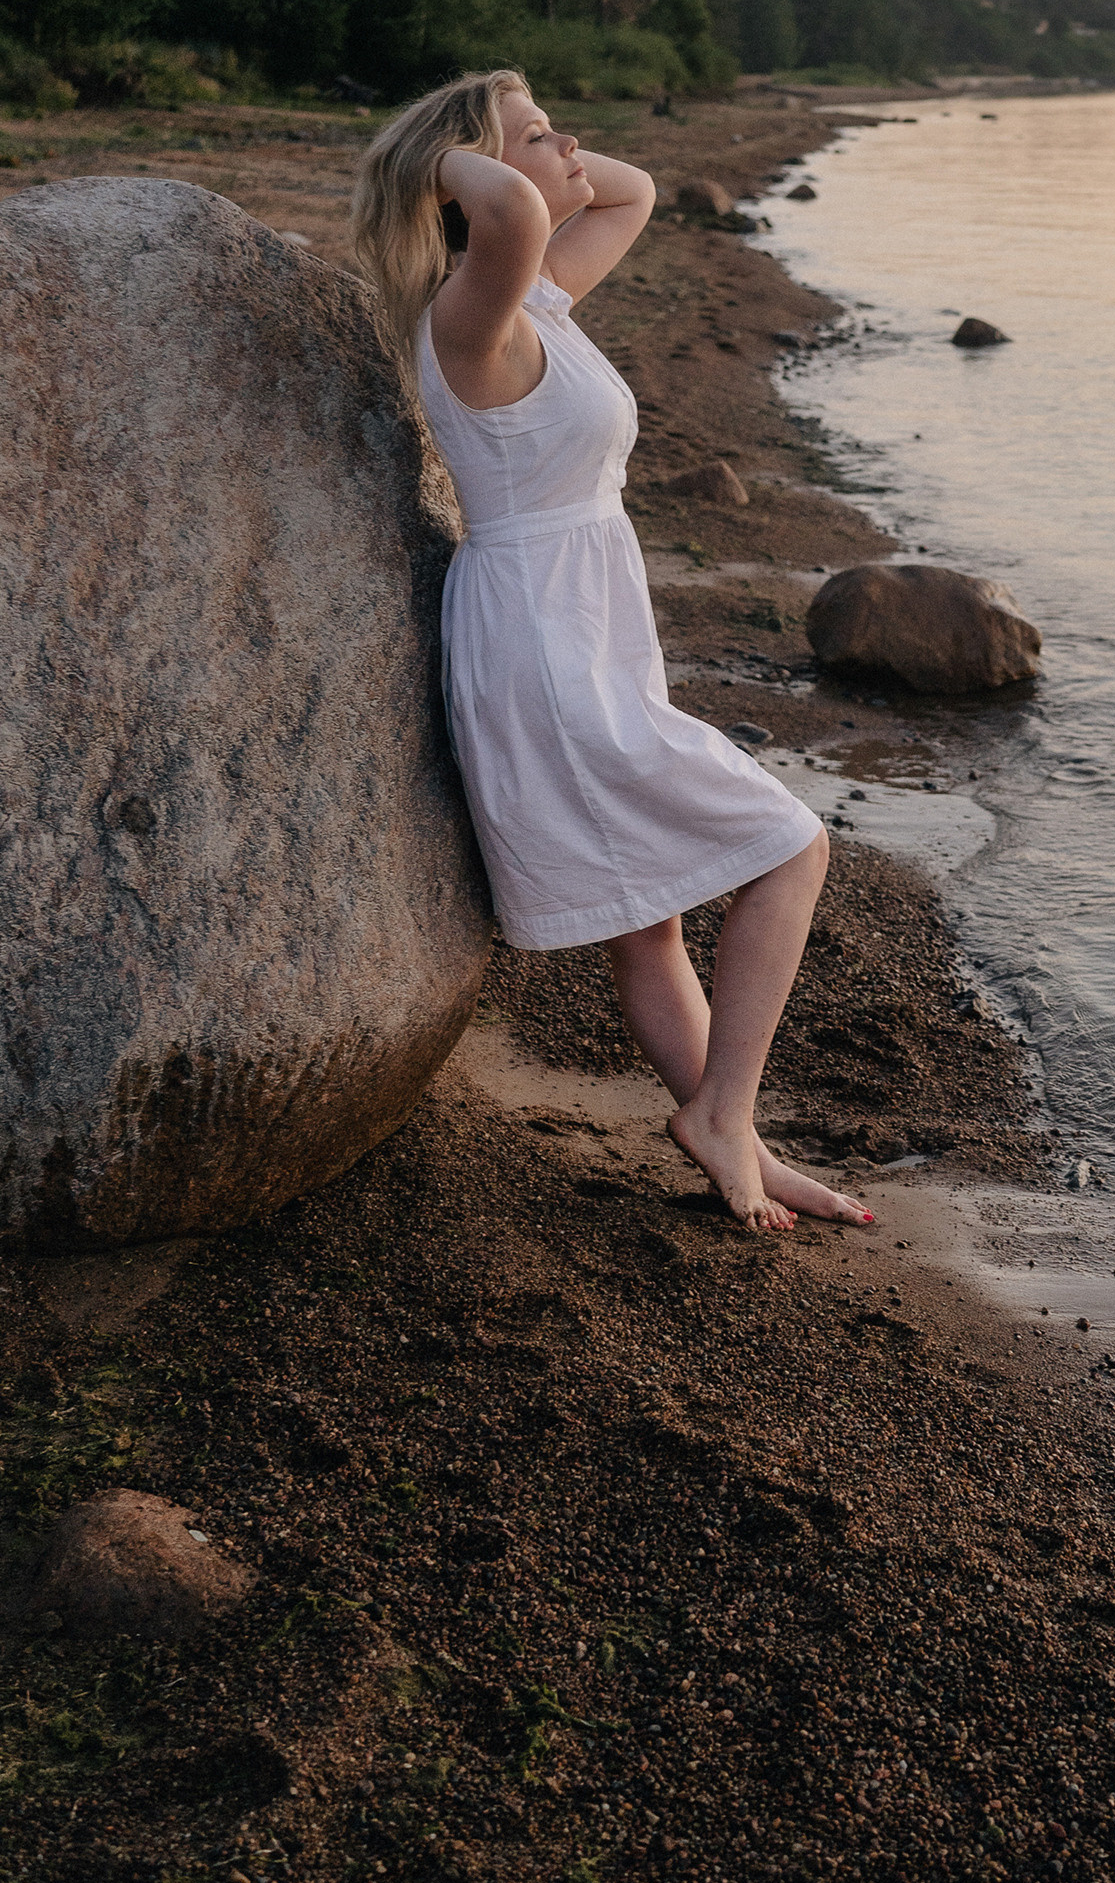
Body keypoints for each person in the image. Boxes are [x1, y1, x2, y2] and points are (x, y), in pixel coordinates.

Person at [351, 68, 870, 1237]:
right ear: (472, 188)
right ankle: (723, 1111)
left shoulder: (534, 301)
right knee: (791, 846)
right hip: (542, 633)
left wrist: (518, 127)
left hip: (578, 620)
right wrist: (430, 156)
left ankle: (728, 1132)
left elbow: (628, 196)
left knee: (652, 920)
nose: (569, 143)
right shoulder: (467, 316)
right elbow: (526, 213)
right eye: (539, 137)